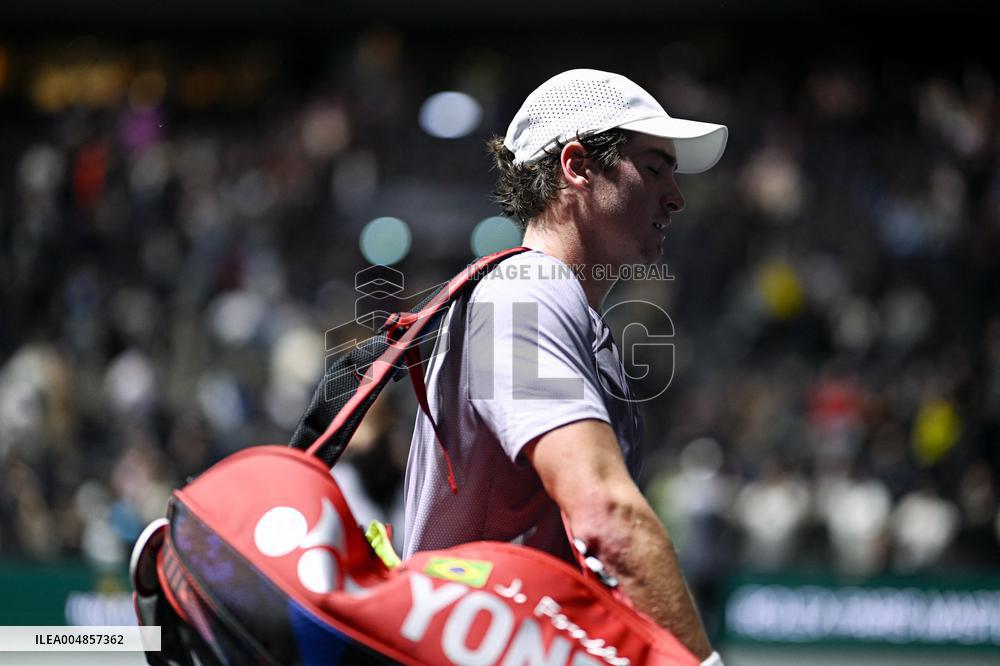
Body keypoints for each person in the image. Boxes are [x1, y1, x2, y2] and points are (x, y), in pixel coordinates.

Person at [403, 68, 727, 663]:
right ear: (577, 167)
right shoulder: (527, 294)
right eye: (654, 167)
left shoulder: (575, 319)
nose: (676, 195)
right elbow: (605, 511)